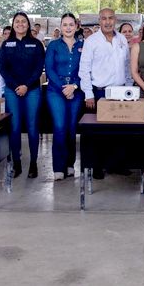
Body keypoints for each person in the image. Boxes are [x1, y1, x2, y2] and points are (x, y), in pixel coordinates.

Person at [79, 8, 131, 179]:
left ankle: (116, 164)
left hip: (120, 91)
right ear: (99, 21)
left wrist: (129, 88)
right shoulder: (91, 41)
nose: (107, 22)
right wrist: (88, 94)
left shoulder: (122, 39)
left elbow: (127, 66)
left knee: (119, 131)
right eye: (104, 19)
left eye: (110, 18)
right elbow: (84, 69)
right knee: (99, 132)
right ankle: (97, 166)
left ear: (115, 20)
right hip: (99, 92)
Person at [0, 12, 45, 179]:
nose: (20, 24)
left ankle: (33, 163)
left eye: (23, 21)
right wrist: (16, 85)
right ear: (13, 24)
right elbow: (3, 68)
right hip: (12, 90)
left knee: (33, 127)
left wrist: (26, 85)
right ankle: (16, 163)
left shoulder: (36, 44)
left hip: (31, 90)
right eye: (17, 21)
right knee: (15, 128)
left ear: (28, 24)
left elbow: (39, 68)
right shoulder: (6, 44)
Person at [45, 13, 84, 181]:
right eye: (65, 24)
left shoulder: (83, 46)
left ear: (76, 26)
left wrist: (74, 86)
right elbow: (49, 68)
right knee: (60, 127)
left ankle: (69, 164)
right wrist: (63, 88)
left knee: (71, 128)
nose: (68, 27)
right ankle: (58, 167)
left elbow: (86, 68)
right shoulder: (53, 45)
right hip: (55, 90)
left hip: (76, 89)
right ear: (60, 27)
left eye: (71, 24)